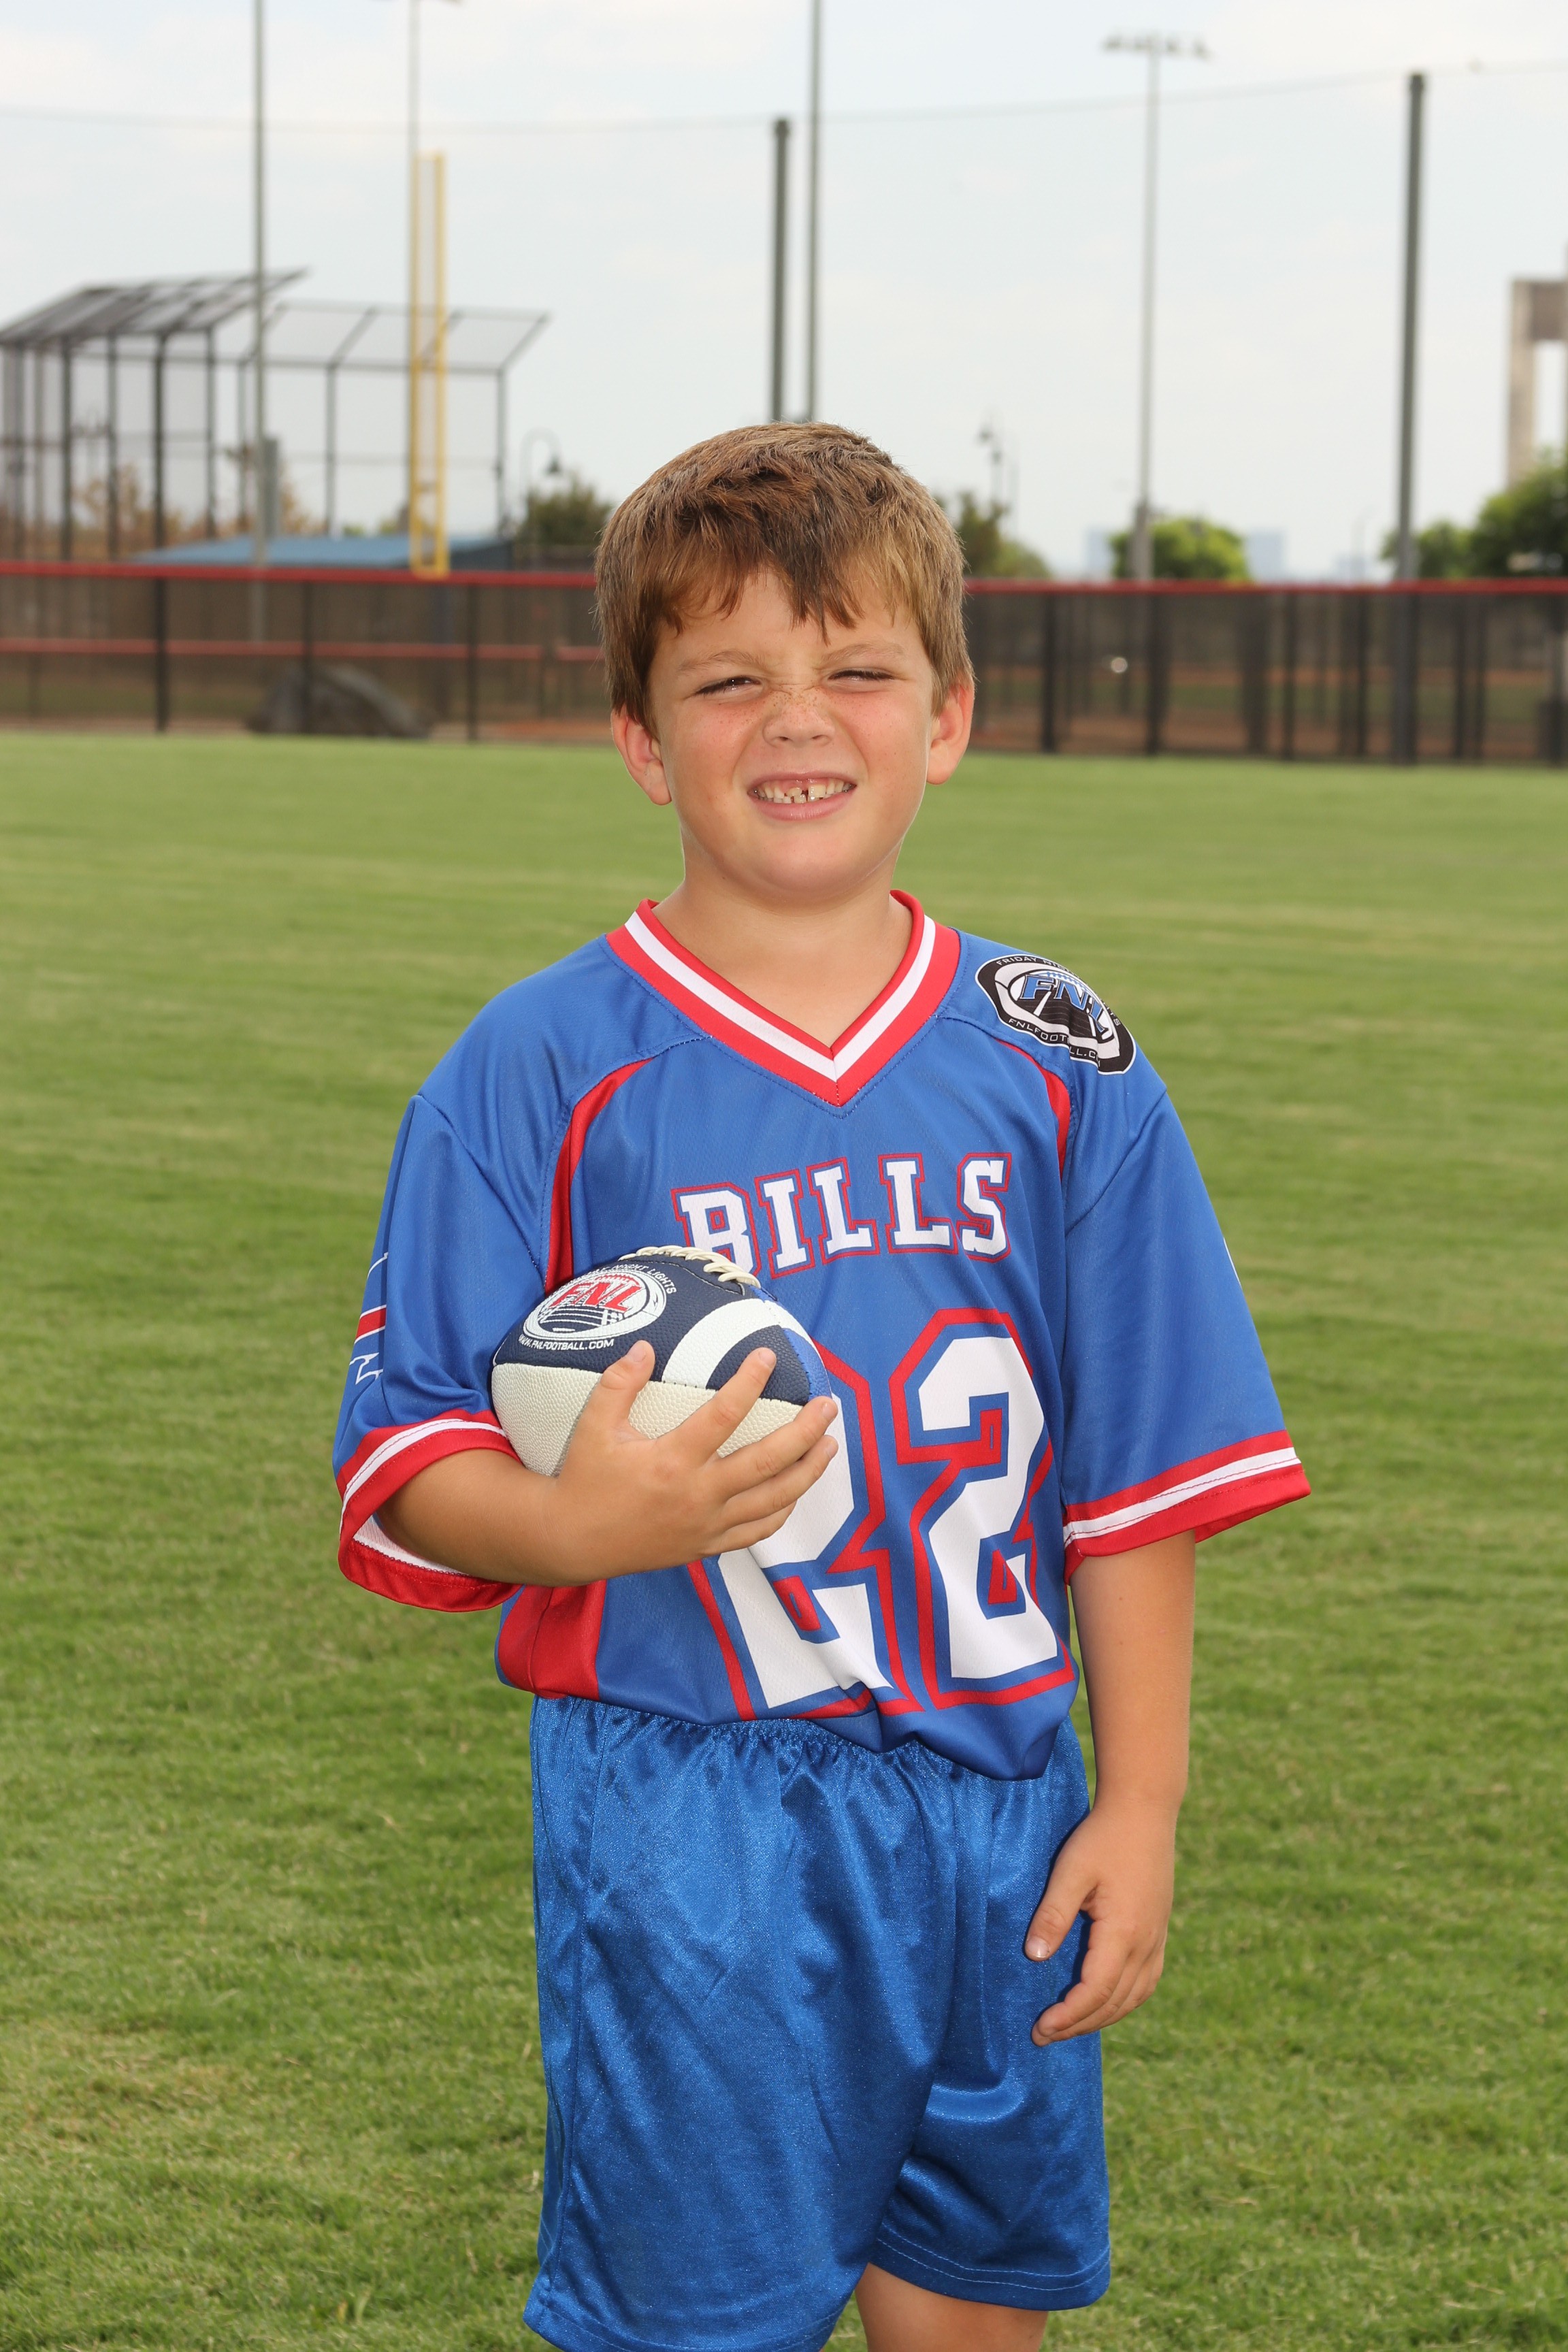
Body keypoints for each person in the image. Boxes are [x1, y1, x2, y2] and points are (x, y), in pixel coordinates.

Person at [333, 423, 1308, 2352]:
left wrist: (1143, 1800)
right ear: (641, 739)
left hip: (1004, 1802)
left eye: (856, 668)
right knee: (697, 2322)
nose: (798, 718)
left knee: (976, 2302)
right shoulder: (540, 1067)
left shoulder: (1060, 1060)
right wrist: (579, 1524)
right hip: (696, 1809)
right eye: (729, 680)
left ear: (948, 717)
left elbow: (1135, 1481)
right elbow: (410, 1447)